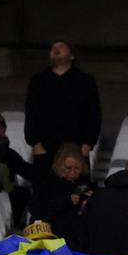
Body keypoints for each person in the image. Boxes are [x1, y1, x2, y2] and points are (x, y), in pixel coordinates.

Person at [24, 40, 102, 168]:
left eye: (61, 47)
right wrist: (36, 144)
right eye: (53, 48)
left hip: (76, 146)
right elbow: (31, 113)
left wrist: (88, 143)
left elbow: (94, 114)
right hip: (45, 147)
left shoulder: (85, 81)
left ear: (72, 55)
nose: (56, 49)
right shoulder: (38, 81)